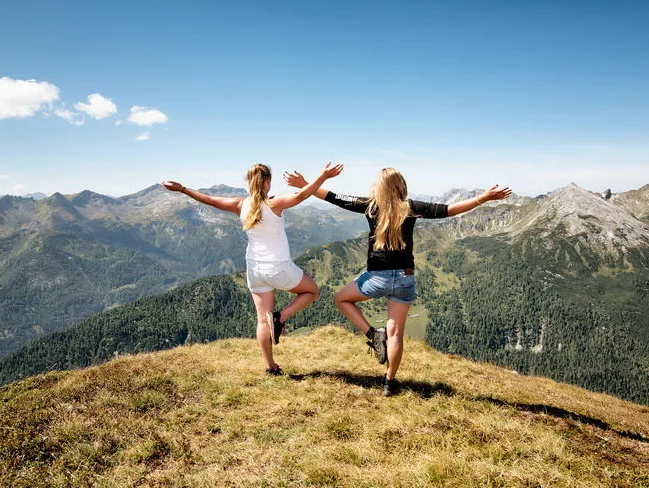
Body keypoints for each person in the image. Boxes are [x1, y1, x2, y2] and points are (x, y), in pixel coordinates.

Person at [285, 167, 511, 396]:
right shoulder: (411, 208)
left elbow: (334, 197)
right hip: (405, 278)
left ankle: (373, 335)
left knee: (341, 299)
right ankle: (389, 383)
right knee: (395, 334)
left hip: (376, 278)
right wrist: (483, 198)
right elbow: (449, 210)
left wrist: (305, 183)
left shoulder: (371, 206)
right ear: (401, 186)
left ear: (379, 187)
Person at [162, 162, 343, 375]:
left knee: (261, 319)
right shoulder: (275, 203)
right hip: (278, 266)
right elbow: (302, 195)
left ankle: (270, 367)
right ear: (267, 182)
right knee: (312, 291)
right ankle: (281, 317)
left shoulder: (240, 204)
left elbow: (210, 200)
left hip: (255, 270)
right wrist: (322, 176)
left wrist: (182, 188)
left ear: (249, 183)